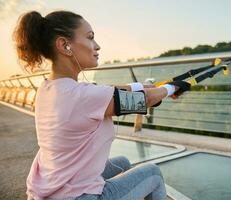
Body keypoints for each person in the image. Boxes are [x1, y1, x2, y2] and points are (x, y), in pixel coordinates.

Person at [13, 10, 189, 200]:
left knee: (122, 163)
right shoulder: (82, 96)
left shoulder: (49, 88)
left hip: (51, 189)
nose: (97, 46)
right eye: (90, 38)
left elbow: (107, 91)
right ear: (65, 45)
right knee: (153, 173)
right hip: (75, 196)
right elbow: (142, 100)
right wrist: (171, 88)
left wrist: (147, 87)